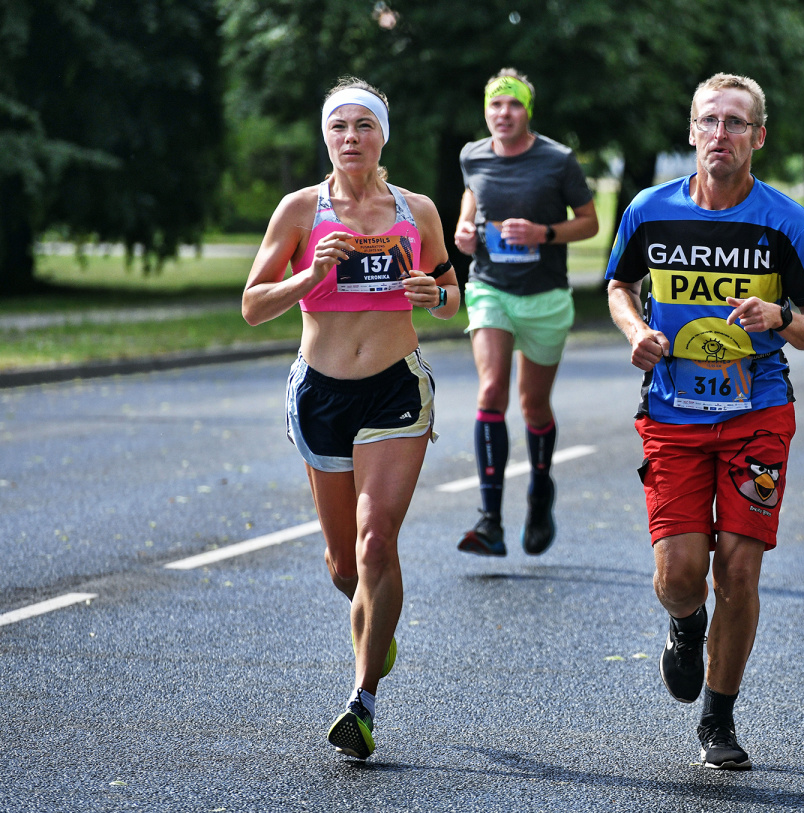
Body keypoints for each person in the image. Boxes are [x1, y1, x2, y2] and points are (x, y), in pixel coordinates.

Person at [606, 73, 804, 770]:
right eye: (709, 120)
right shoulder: (650, 211)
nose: (721, 134)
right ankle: (686, 623)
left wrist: (782, 317)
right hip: (672, 414)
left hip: (757, 413)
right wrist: (635, 331)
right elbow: (618, 286)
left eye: (736, 123)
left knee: (739, 568)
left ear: (758, 137)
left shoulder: (786, 223)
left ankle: (719, 716)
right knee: (679, 574)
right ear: (691, 131)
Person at [241, 77, 459, 761]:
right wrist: (309, 276)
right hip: (321, 394)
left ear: (382, 136)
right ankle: (377, 630)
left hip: (396, 390)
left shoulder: (416, 211)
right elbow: (252, 305)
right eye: (339, 127)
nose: (351, 138)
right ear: (326, 137)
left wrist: (433, 295)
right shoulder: (300, 211)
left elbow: (452, 292)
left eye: (364, 125)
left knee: (375, 541)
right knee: (345, 568)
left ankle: (362, 701)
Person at [454, 68, 599, 557]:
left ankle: (539, 491)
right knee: (491, 390)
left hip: (545, 296)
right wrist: (464, 230)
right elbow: (471, 197)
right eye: (495, 105)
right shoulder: (472, 155)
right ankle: (490, 520)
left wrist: (544, 234)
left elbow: (590, 222)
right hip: (490, 287)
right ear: (486, 111)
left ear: (527, 111)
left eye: (513, 104)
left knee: (533, 405)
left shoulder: (558, 160)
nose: (504, 113)